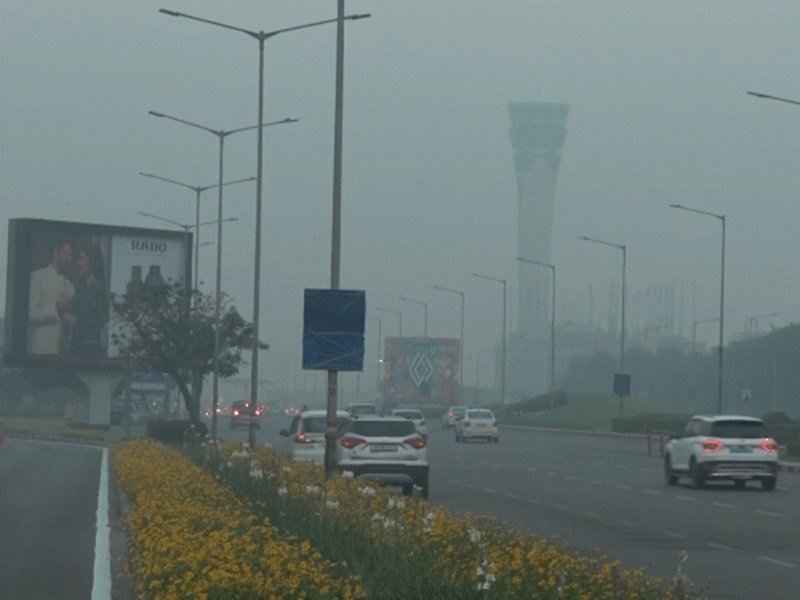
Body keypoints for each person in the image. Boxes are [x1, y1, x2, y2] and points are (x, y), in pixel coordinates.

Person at [27, 238, 76, 355]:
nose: (69, 259)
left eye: (71, 256)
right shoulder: (37, 277)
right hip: (40, 350)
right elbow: (30, 314)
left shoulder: (70, 287)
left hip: (62, 353)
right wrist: (56, 307)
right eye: (66, 254)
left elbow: (70, 321)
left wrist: (70, 320)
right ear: (55, 252)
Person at [67, 243, 108, 357]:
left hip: (86, 348)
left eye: (82, 259)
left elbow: (84, 319)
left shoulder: (93, 289)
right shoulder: (86, 286)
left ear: (92, 262)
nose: (79, 263)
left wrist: (67, 307)